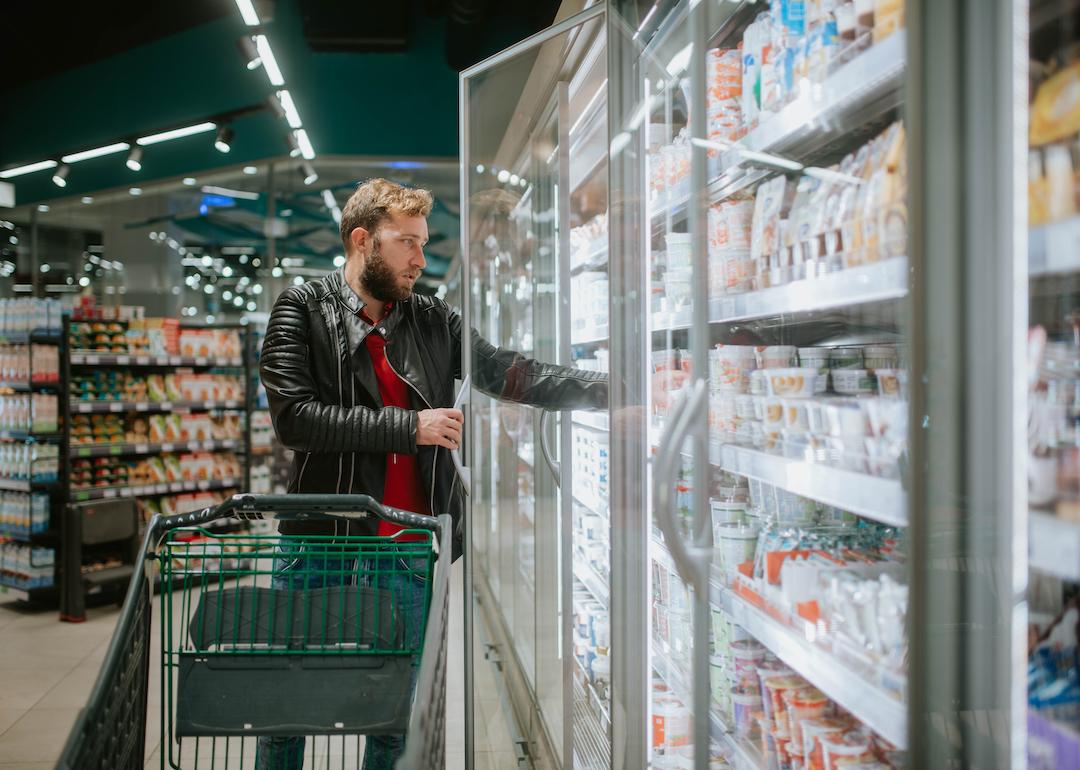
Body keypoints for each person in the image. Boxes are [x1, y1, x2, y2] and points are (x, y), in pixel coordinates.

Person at [256, 177, 608, 769]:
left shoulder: (431, 319)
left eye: (423, 243)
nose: (421, 259)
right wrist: (408, 427)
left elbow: (509, 372)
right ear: (363, 240)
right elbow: (295, 419)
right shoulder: (301, 308)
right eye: (407, 243)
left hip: (408, 546)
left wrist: (612, 390)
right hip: (322, 538)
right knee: (291, 704)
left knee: (399, 714)